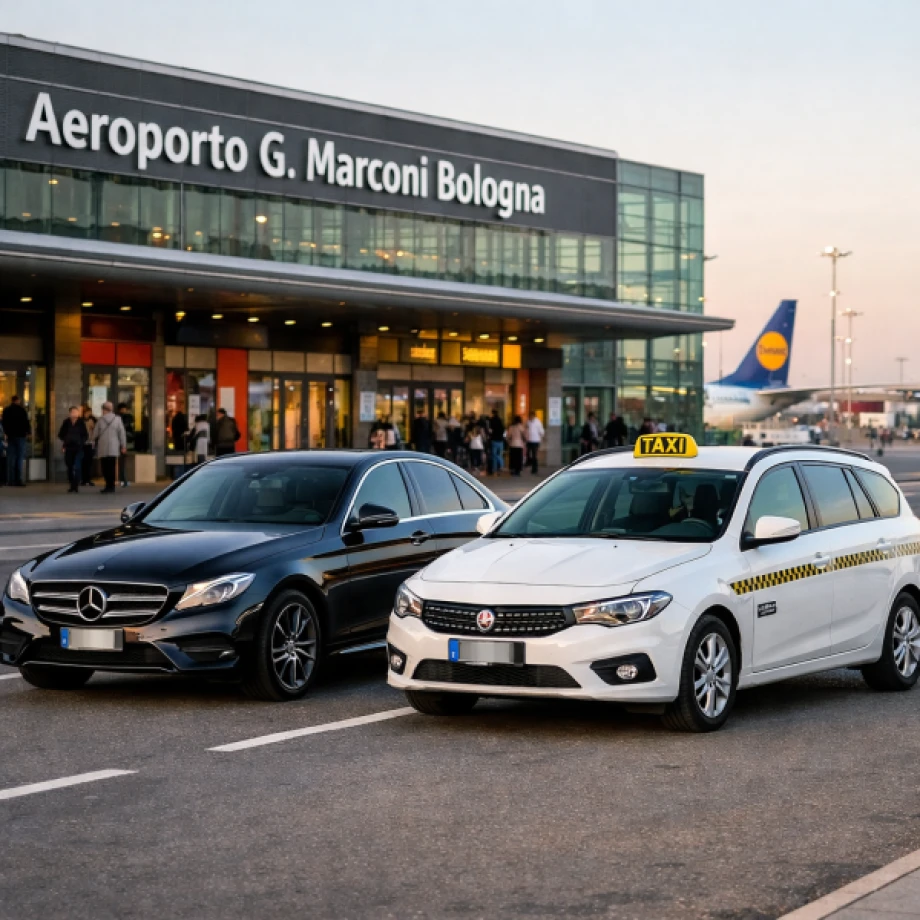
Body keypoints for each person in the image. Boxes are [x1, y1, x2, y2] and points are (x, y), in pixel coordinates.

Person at [92, 401, 126, 494]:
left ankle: (107, 485)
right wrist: (123, 445)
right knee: (112, 466)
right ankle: (112, 486)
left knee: (105, 467)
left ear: (104, 410)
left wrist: (92, 441)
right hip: (114, 447)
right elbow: (122, 433)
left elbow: (95, 434)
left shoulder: (100, 420)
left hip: (103, 447)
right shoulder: (118, 419)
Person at [58, 406, 88, 493]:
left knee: (77, 466)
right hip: (69, 447)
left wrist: (81, 442)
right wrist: (66, 439)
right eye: (73, 412)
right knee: (69, 466)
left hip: (78, 447)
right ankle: (72, 484)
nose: (75, 414)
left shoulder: (81, 423)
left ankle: (75, 484)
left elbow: (85, 435)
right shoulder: (66, 422)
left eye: (76, 412)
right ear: (70, 413)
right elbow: (60, 434)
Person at [2, 394, 31, 487]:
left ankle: (10, 480)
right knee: (20, 458)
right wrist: (28, 432)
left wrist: (6, 433)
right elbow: (26, 422)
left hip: (10, 436)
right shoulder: (22, 410)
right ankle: (18, 480)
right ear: (18, 400)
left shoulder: (6, 410)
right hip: (21, 436)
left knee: (11, 458)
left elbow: (3, 423)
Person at [116, 403, 135, 487]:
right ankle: (123, 480)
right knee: (122, 462)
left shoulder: (117, 417)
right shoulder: (127, 417)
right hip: (124, 442)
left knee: (121, 462)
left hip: (119, 442)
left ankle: (122, 480)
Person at [524, 411, 545, 475]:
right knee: (528, 453)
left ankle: (534, 469)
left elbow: (541, 431)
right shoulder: (528, 422)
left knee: (534, 455)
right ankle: (529, 462)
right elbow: (526, 429)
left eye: (531, 416)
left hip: (535, 441)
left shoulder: (538, 422)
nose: (530, 417)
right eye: (529, 416)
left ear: (534, 416)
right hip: (529, 440)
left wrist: (541, 438)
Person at [81, 406, 96, 486]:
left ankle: (88, 479)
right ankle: (84, 479)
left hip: (90, 443)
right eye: (88, 412)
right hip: (83, 443)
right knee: (84, 461)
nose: (89, 414)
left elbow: (94, 430)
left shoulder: (92, 420)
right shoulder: (81, 421)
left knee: (89, 462)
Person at [489, 409, 505, 476]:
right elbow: (503, 430)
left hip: (494, 440)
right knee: (499, 454)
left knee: (494, 455)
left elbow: (490, 430)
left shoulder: (492, 420)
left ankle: (494, 469)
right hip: (500, 440)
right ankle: (501, 466)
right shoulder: (500, 421)